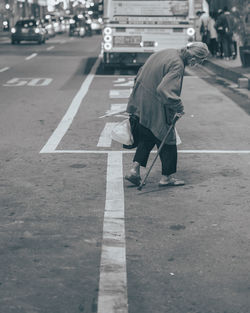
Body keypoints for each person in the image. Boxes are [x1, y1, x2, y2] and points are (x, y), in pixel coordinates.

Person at [125, 42, 209, 187]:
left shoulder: (167, 52)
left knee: (148, 134)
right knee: (168, 138)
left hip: (141, 98)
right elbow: (164, 89)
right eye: (199, 62)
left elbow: (140, 72)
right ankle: (166, 177)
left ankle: (134, 170)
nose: (196, 64)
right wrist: (179, 107)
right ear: (194, 59)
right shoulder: (178, 64)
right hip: (155, 103)